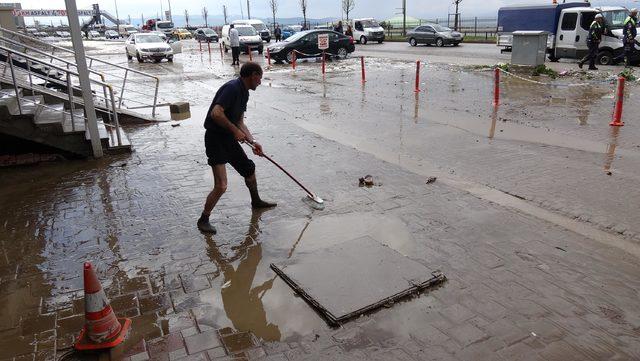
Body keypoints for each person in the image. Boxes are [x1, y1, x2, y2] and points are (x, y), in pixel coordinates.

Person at [198, 62, 276, 234]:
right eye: (260, 78)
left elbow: (240, 121)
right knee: (221, 185)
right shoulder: (232, 88)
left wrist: (252, 141)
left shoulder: (244, 93)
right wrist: (234, 131)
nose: (260, 82)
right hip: (215, 139)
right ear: (253, 75)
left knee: (249, 169)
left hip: (228, 138)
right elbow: (216, 113)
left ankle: (256, 201)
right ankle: (203, 219)